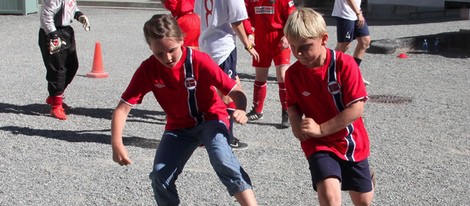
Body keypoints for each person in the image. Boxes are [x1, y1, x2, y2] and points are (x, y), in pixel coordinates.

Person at [111, 14, 257, 206]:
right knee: (159, 176)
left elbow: (235, 91)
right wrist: (116, 143)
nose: (167, 58)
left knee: (222, 160)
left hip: (211, 119)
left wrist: (241, 109)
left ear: (181, 40)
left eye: (171, 50)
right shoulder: (148, 69)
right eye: (159, 54)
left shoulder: (199, 60)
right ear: (150, 49)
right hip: (178, 126)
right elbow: (122, 109)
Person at [283, 8, 374, 205]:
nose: (299, 53)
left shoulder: (345, 65)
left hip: (350, 140)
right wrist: (295, 121)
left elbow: (356, 109)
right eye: (293, 46)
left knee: (364, 201)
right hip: (318, 142)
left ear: (324, 39)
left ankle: (368, 178)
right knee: (330, 197)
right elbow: (293, 105)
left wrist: (321, 128)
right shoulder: (292, 74)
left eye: (306, 46)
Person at [195, 0, 260, 150]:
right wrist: (248, 44)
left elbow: (199, 13)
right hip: (222, 47)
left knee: (216, 88)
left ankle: (205, 132)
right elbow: (237, 22)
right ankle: (227, 136)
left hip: (206, 43)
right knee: (228, 91)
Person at [244, 0, 296, 129]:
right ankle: (257, 110)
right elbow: (245, 16)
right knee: (260, 76)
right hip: (260, 39)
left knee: (283, 77)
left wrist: (287, 35)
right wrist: (249, 33)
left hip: (279, 39)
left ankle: (286, 112)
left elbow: (292, 17)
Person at [38, 0, 90, 120]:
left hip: (66, 31)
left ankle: (55, 96)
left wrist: (79, 15)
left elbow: (72, 7)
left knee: (72, 65)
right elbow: (46, 16)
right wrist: (53, 36)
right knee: (57, 69)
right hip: (53, 32)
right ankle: (56, 105)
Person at [332, 0, 371, 85]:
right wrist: (358, 14)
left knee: (365, 41)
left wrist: (358, 12)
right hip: (345, 14)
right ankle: (327, 68)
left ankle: (354, 73)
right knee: (344, 45)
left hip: (356, 12)